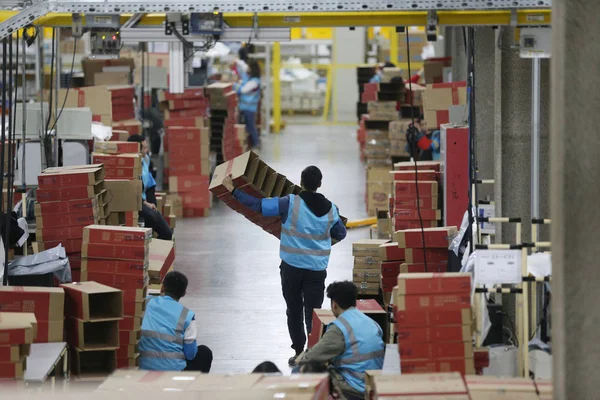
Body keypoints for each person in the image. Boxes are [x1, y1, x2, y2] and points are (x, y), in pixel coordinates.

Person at [222, 166, 347, 366]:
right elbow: (341, 233)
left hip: (291, 269)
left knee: (294, 309)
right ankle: (313, 353)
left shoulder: (289, 203)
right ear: (320, 184)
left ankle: (298, 351)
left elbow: (259, 205)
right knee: (314, 312)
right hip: (316, 271)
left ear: (301, 182)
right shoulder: (332, 210)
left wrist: (233, 190)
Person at [295, 281, 385, 400]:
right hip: (374, 384)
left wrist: (300, 359)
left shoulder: (340, 327)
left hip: (355, 387)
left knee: (303, 369)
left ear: (334, 304)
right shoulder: (372, 323)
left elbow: (311, 357)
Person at [139, 271, 213, 372]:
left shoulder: (146, 302)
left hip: (143, 370)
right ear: (183, 293)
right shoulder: (187, 315)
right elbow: (190, 355)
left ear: (162, 288)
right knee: (205, 352)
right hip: (173, 375)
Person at [127, 134, 173, 240]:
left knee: (167, 233)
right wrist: (146, 203)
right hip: (135, 202)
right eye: (144, 148)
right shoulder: (130, 166)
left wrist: (153, 205)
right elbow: (132, 190)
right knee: (151, 217)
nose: (147, 150)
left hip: (144, 202)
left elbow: (151, 186)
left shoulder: (146, 161)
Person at [234, 58, 261, 149]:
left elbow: (243, 90)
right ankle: (248, 144)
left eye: (249, 67)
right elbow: (244, 66)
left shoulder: (254, 81)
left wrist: (235, 85)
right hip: (244, 107)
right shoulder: (249, 77)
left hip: (249, 108)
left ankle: (256, 144)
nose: (247, 69)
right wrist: (237, 61)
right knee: (245, 126)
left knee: (250, 126)